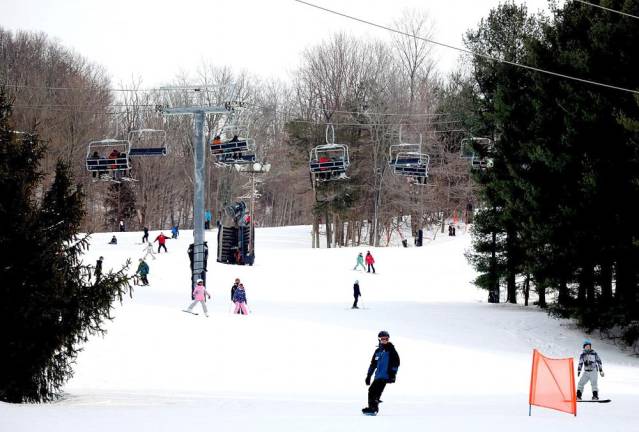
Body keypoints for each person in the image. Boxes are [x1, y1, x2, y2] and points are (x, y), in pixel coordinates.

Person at [362, 331, 400, 415]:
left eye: (386, 339)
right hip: (378, 376)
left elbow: (396, 363)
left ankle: (373, 409)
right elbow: (373, 364)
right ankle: (372, 407)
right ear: (379, 339)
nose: (384, 340)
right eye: (382, 339)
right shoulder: (377, 351)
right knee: (372, 390)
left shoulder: (391, 350)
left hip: (385, 375)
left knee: (374, 391)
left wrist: (393, 374)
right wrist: (368, 376)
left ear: (388, 339)